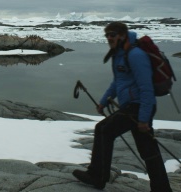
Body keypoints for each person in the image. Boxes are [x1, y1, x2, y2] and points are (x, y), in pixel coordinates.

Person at [72, 22, 172, 191]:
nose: (109, 38)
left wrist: (143, 118)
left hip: (139, 107)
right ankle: (162, 188)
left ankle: (97, 176)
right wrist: (104, 101)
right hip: (133, 106)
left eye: (113, 34)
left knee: (104, 129)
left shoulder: (135, 55)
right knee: (148, 149)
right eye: (107, 35)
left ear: (123, 35)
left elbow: (146, 88)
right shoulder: (120, 54)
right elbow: (119, 82)